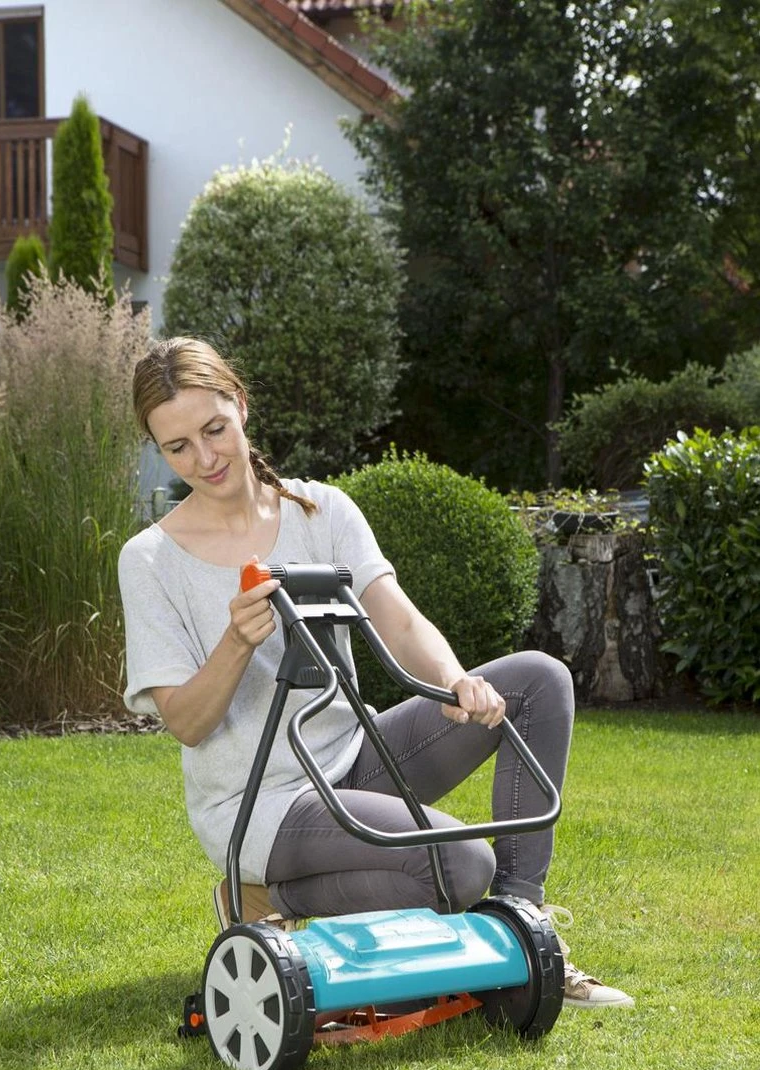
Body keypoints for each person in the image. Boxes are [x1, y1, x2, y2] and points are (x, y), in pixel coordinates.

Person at [119, 336, 634, 1010]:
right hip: (260, 803)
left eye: (214, 430)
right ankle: (269, 894)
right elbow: (186, 723)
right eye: (178, 447)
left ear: (240, 406)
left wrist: (455, 680)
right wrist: (235, 643)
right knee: (460, 865)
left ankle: (523, 931)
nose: (205, 458)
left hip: (352, 755)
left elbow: (398, 619)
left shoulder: (321, 510)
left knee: (538, 680)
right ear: (159, 450)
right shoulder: (150, 559)